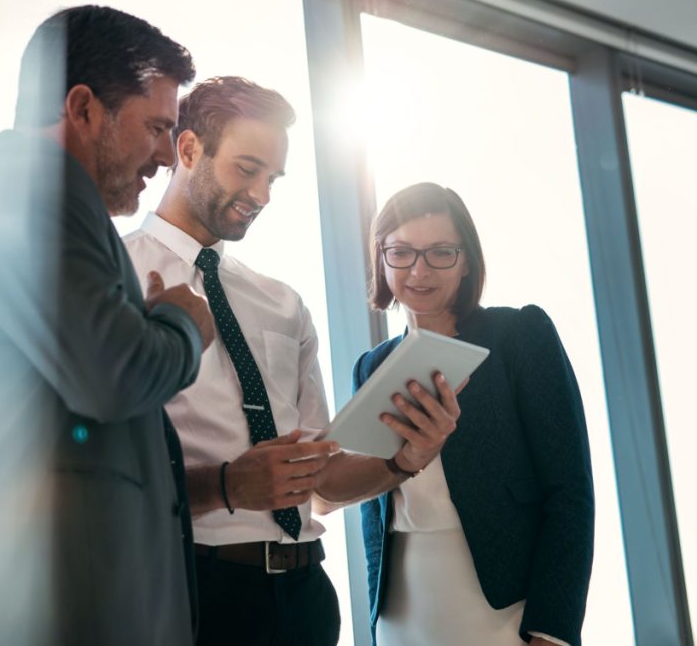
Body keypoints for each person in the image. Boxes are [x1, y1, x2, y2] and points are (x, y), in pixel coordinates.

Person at [0, 5, 216, 646]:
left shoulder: (29, 197)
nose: (162, 157)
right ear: (83, 107)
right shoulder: (27, 188)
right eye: (154, 127)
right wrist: (183, 321)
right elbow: (114, 372)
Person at [124, 77, 461, 646]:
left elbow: (321, 476)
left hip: (306, 597)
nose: (262, 194)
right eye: (247, 168)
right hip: (193, 590)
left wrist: (405, 461)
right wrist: (228, 485)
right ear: (187, 150)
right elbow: (102, 474)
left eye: (273, 178)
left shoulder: (282, 303)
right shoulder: (116, 277)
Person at [355, 182, 595, 646]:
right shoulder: (370, 366)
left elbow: (570, 492)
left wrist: (553, 629)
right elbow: (375, 510)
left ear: (466, 261)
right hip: (402, 607)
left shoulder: (519, 335)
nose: (419, 270)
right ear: (381, 258)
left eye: (440, 252)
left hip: (505, 606)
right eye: (401, 252)